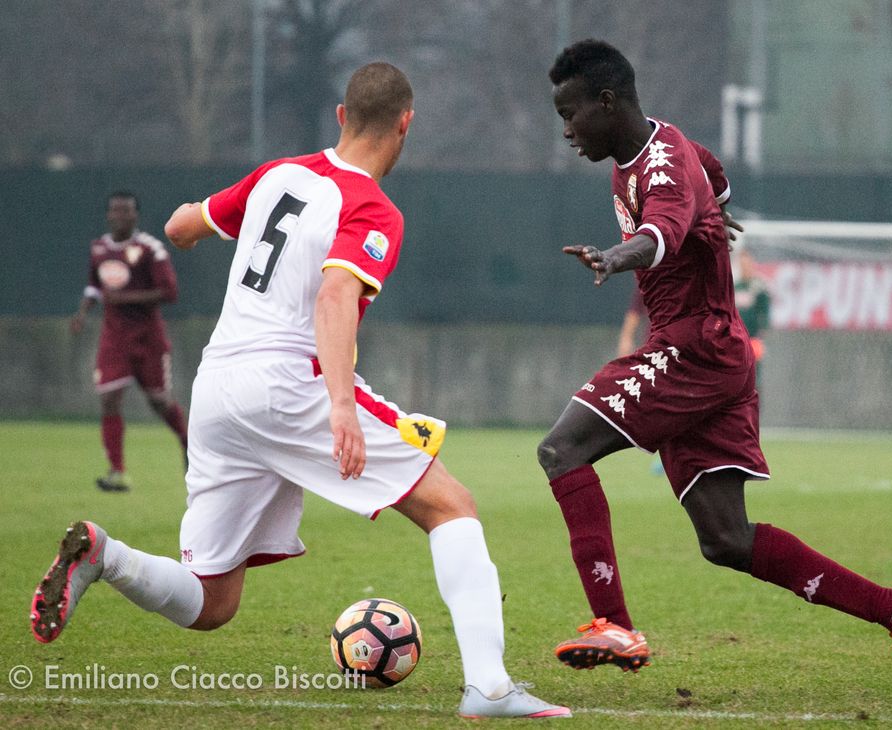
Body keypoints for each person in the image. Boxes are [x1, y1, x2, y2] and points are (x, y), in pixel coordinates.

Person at [31, 63, 570, 720]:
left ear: (341, 118)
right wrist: (341, 405)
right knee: (451, 506)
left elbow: (178, 228)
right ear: (406, 124)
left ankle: (105, 555)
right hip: (290, 383)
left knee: (212, 600)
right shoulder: (373, 208)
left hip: (219, 389)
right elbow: (337, 293)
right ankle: (489, 688)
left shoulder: (277, 174)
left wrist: (199, 217)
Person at [538, 39, 892, 701]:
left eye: (571, 114)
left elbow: (661, 233)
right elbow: (716, 181)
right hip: (715, 355)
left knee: (562, 449)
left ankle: (614, 624)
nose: (565, 130)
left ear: (608, 101)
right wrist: (717, 213)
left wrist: (616, 258)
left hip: (689, 353)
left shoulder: (664, 167)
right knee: (727, 540)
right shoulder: (669, 147)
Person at [70, 191, 189, 492]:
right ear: (108, 214)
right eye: (115, 211)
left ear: (136, 215)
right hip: (114, 338)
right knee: (109, 399)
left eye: (126, 211)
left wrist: (124, 298)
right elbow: (94, 286)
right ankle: (117, 472)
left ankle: (190, 444)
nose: (119, 216)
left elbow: (169, 292)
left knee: (160, 402)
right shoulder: (98, 249)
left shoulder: (150, 249)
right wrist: (83, 313)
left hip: (148, 338)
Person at [732, 244, 770, 388]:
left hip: (753, 339)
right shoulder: (735, 287)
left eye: (747, 261)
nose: (744, 265)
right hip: (736, 341)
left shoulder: (758, 287)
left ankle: (755, 408)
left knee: (754, 378)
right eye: (742, 262)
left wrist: (762, 331)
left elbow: (765, 312)